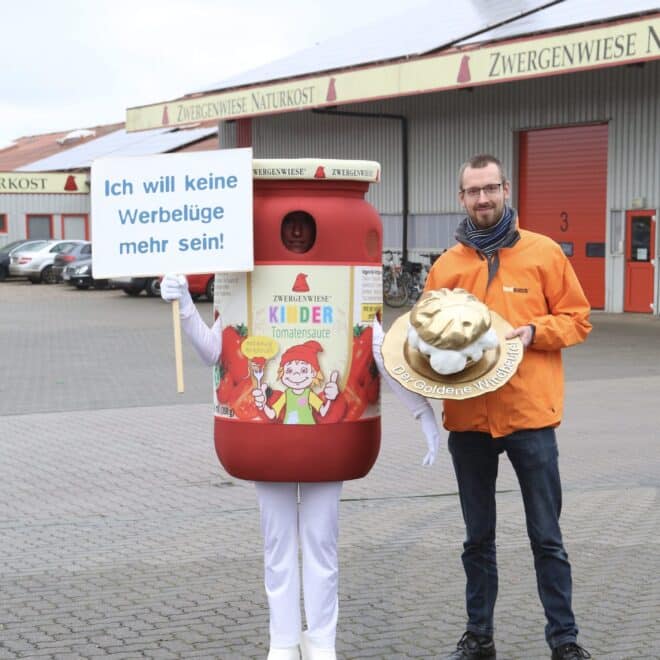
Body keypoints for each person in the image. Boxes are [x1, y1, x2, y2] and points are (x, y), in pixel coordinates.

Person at [160, 212, 440, 660]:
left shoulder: (351, 274)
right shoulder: (239, 272)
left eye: (303, 225)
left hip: (330, 444)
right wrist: (185, 308)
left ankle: (322, 642)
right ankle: (283, 640)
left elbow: (379, 352)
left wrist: (422, 413)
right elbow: (215, 352)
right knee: (277, 547)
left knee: (321, 545)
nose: (295, 232)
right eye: (285, 225)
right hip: (265, 445)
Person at [422, 154, 593, 660]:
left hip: (530, 419)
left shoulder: (542, 253)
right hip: (469, 421)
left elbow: (578, 319)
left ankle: (564, 642)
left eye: (490, 189)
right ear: (461, 198)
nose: (482, 199)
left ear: (506, 189)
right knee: (477, 541)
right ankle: (479, 639)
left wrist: (536, 332)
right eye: (473, 191)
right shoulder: (447, 266)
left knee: (547, 538)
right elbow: (426, 337)